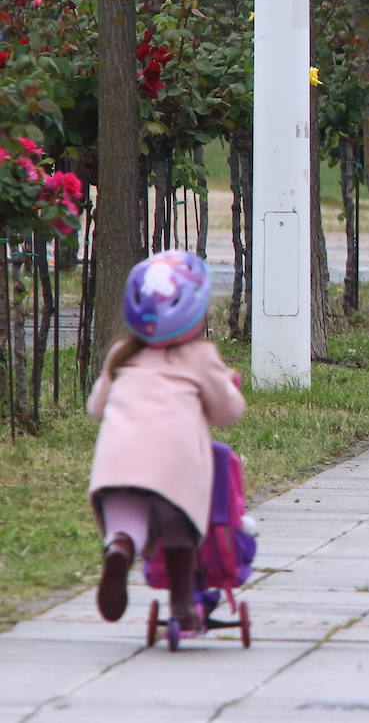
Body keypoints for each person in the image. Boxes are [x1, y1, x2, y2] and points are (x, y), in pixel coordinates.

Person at [88, 249, 245, 629]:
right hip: (175, 465)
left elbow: (97, 407)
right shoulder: (199, 357)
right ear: (195, 315)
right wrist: (228, 387)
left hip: (119, 459)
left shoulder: (121, 356)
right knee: (179, 532)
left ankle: (120, 551)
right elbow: (228, 413)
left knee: (126, 524)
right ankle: (182, 608)